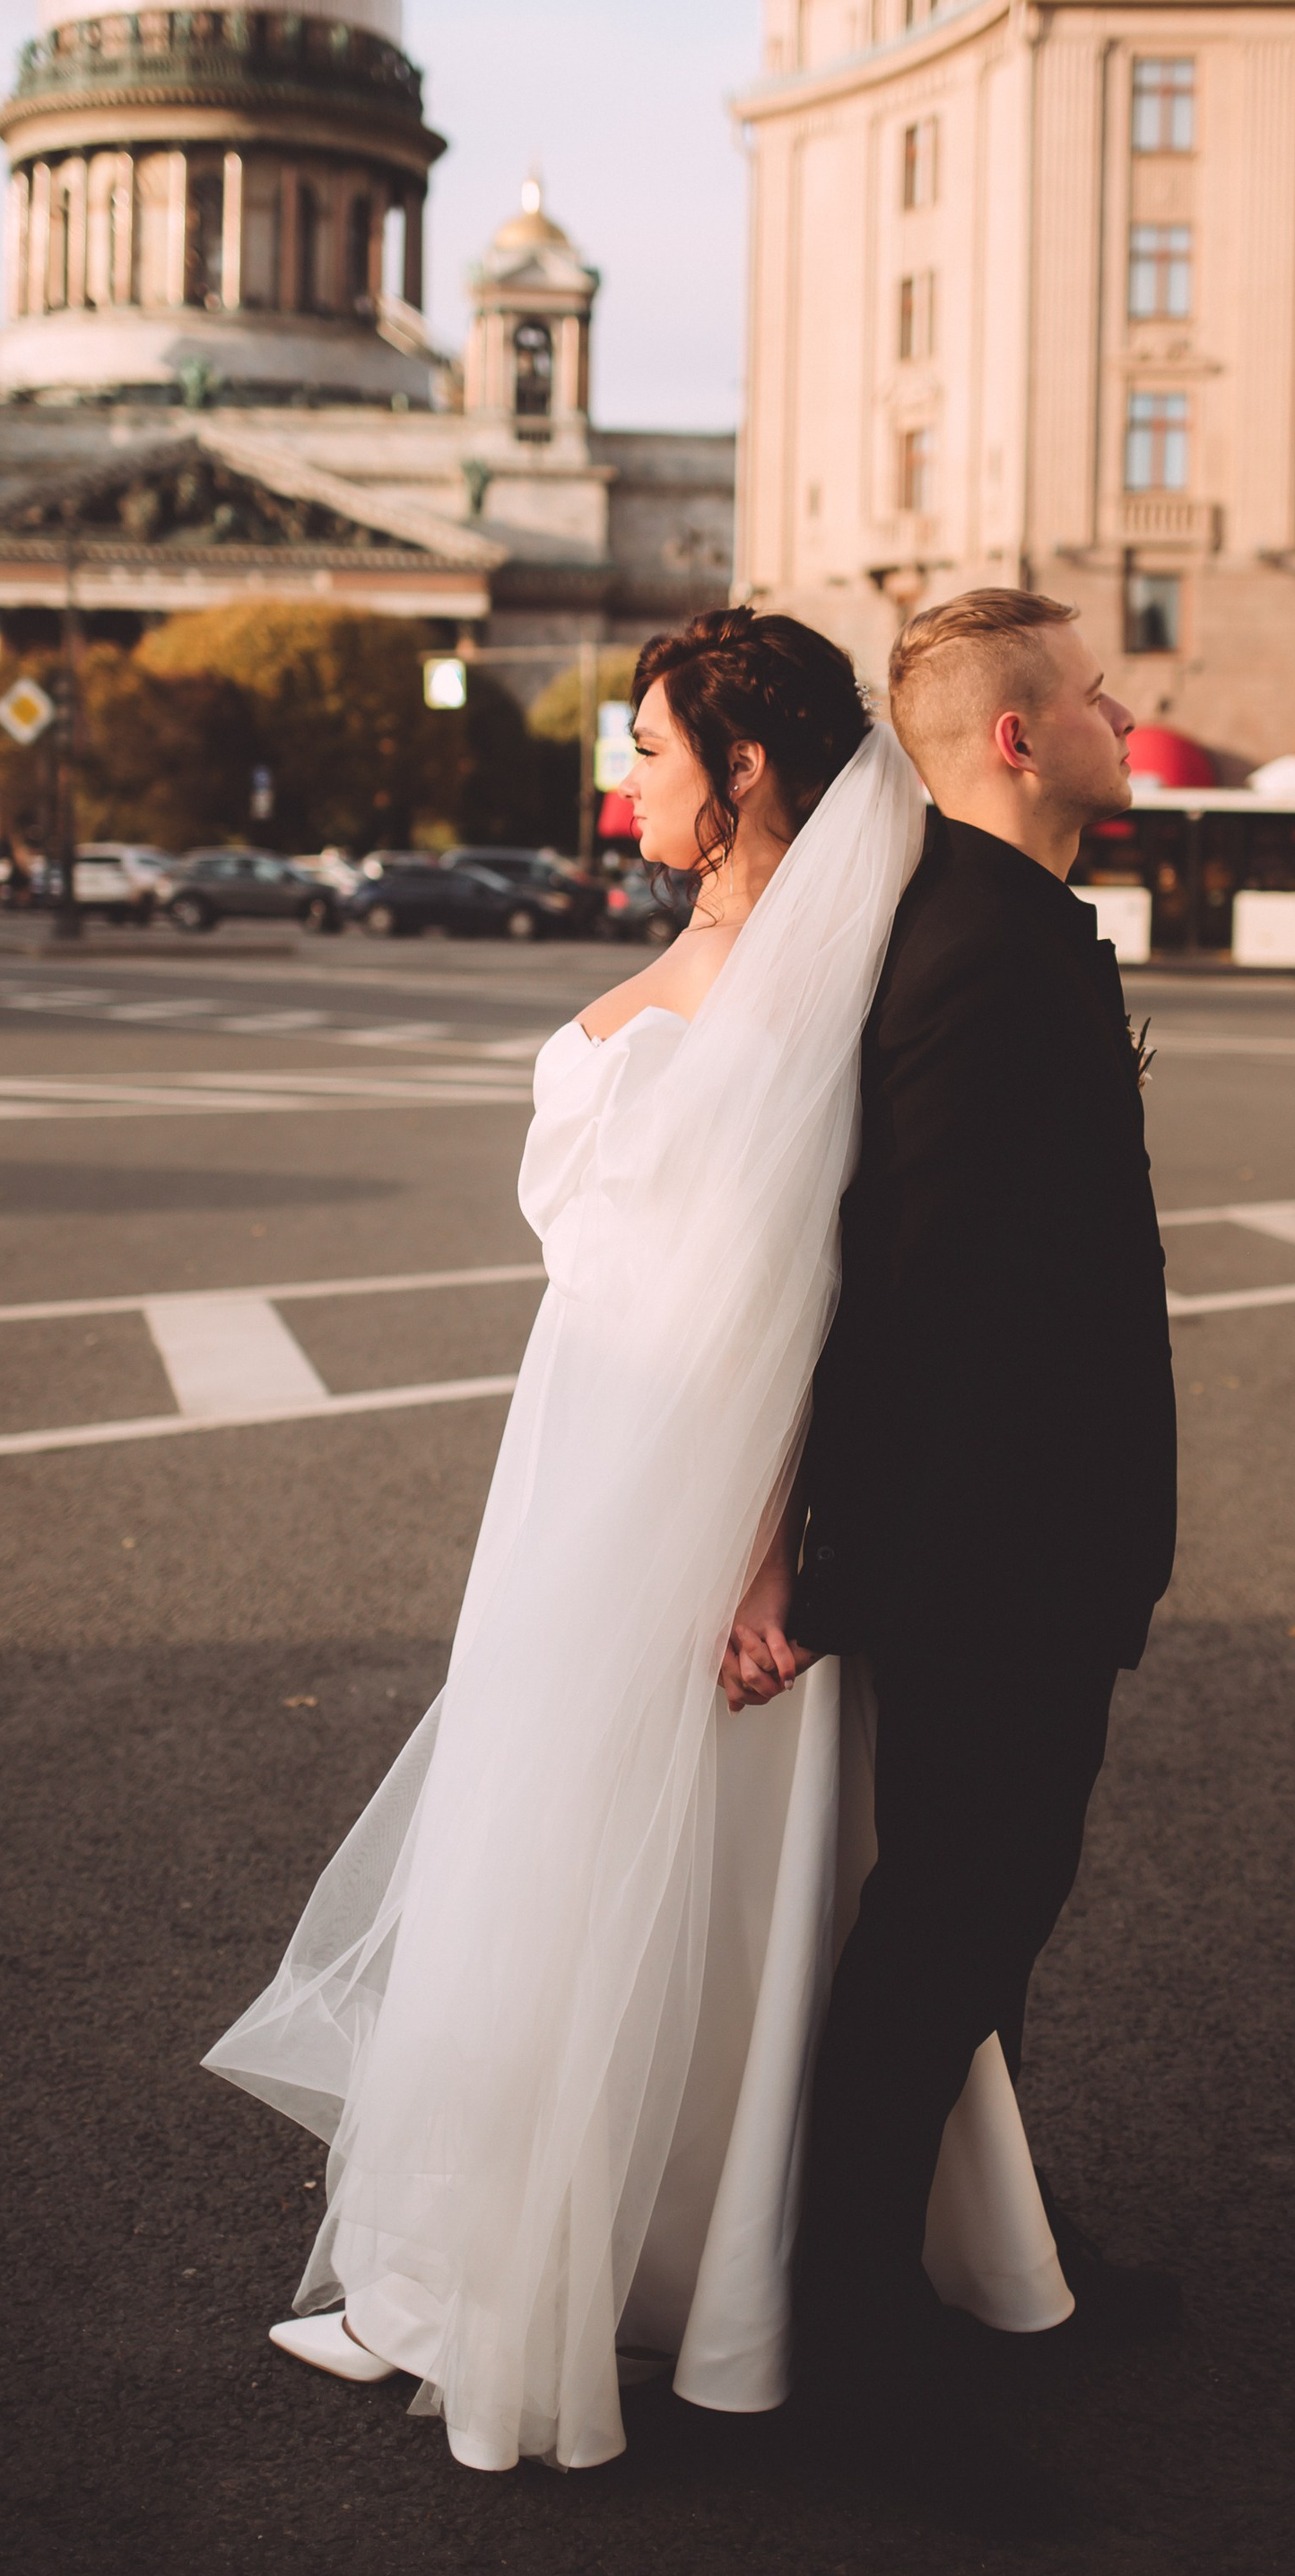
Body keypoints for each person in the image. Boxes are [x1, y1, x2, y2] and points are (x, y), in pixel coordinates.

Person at [204, 606, 1074, 2475]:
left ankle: (628, 2263)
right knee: (568, 1838)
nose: (624, 778)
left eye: (649, 748)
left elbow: (799, 1295)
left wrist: (761, 1551)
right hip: (584, 1448)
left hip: (686, 1471)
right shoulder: (729, 945)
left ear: (741, 768)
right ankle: (620, 2249)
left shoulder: (815, 976)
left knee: (637, 1846)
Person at [773, 588, 1179, 2432]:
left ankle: (981, 2252)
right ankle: (855, 2333)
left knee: (981, 1926)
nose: (1124, 706)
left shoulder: (992, 924)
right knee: (949, 1926)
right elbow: (913, 1277)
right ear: (1018, 739)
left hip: (1014, 1542)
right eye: (1095, 691)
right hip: (985, 1556)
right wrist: (836, 1558)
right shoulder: (982, 950)